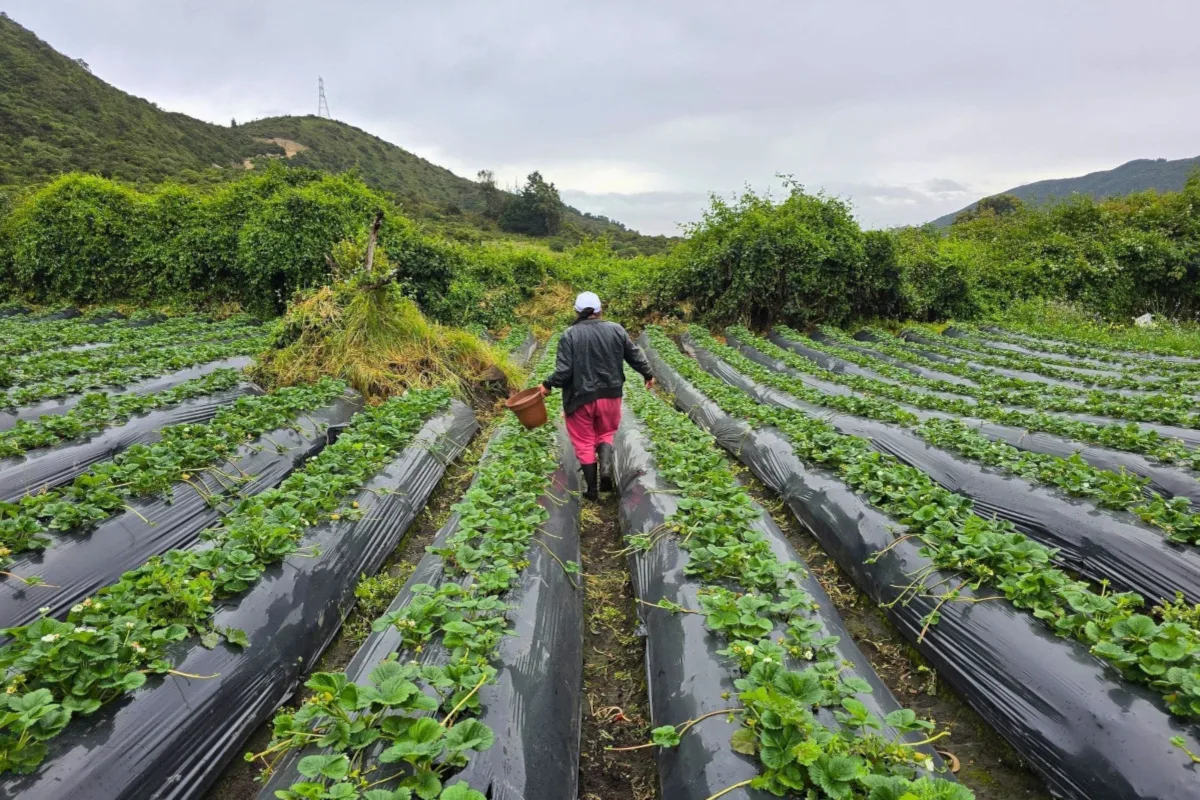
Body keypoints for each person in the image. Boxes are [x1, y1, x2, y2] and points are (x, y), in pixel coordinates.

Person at [539, 291, 654, 501]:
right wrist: (647, 373)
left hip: (580, 397)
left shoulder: (570, 334)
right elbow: (634, 354)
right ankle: (606, 471)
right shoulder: (616, 329)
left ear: (577, 311)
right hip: (611, 395)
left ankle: (592, 491)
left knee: (584, 441)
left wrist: (547, 384)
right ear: (600, 311)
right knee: (606, 432)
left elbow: (564, 372)